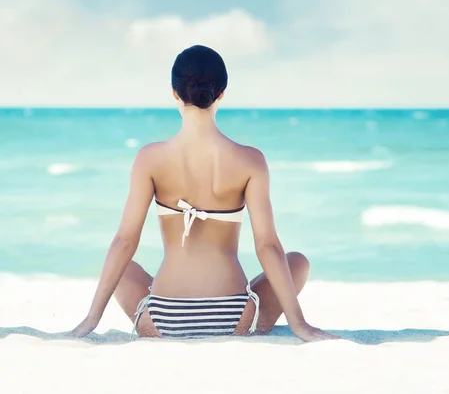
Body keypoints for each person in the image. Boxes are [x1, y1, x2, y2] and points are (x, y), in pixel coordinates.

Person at [69, 45, 337, 342]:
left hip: (162, 317)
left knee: (122, 266)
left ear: (174, 93)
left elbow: (124, 241)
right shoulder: (250, 160)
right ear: (221, 93)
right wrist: (299, 324)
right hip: (235, 315)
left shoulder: (150, 158)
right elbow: (267, 247)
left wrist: (91, 319)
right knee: (296, 261)